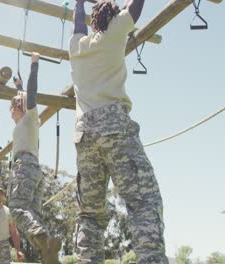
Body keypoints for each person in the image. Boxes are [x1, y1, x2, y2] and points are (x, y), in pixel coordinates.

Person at [69, 0, 169, 263]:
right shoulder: (114, 33)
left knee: (89, 213)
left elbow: (77, 22)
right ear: (114, 20)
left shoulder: (77, 47)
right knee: (143, 201)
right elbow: (133, 8)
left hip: (84, 133)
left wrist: (79, 2)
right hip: (113, 124)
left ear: (93, 23)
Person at [8, 52, 61, 264]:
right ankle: (48, 249)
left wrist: (34, 64)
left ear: (16, 107)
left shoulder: (30, 117)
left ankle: (45, 240)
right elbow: (24, 93)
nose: (10, 113)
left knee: (17, 209)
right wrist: (18, 86)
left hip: (25, 166)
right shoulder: (28, 123)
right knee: (33, 215)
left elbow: (31, 92)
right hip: (35, 169)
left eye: (11, 108)